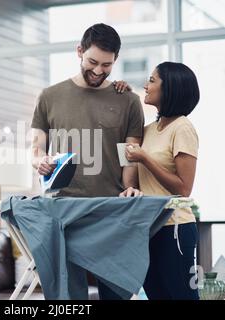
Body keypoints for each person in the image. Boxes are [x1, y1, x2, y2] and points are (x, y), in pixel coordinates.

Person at [31, 23, 144, 299]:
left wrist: (129, 187)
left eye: (107, 65)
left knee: (116, 293)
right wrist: (40, 161)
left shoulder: (128, 100)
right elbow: (36, 149)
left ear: (115, 59)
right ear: (79, 51)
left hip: (111, 212)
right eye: (92, 61)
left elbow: (128, 154)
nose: (98, 70)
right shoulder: (49, 96)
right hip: (64, 211)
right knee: (69, 297)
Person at [118, 62, 200, 300]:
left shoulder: (182, 128)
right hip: (148, 227)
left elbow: (184, 188)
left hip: (175, 227)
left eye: (152, 80)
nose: (146, 85)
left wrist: (145, 158)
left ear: (170, 89)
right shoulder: (149, 129)